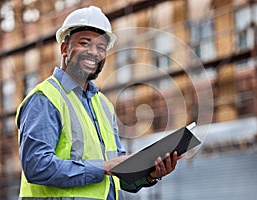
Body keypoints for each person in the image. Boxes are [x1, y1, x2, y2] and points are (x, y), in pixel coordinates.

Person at [16, 6, 182, 200]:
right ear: (64, 48)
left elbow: (117, 174)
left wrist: (150, 174)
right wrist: (102, 167)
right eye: (85, 43)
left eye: (100, 48)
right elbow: (36, 166)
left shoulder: (103, 105)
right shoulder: (45, 98)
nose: (93, 52)